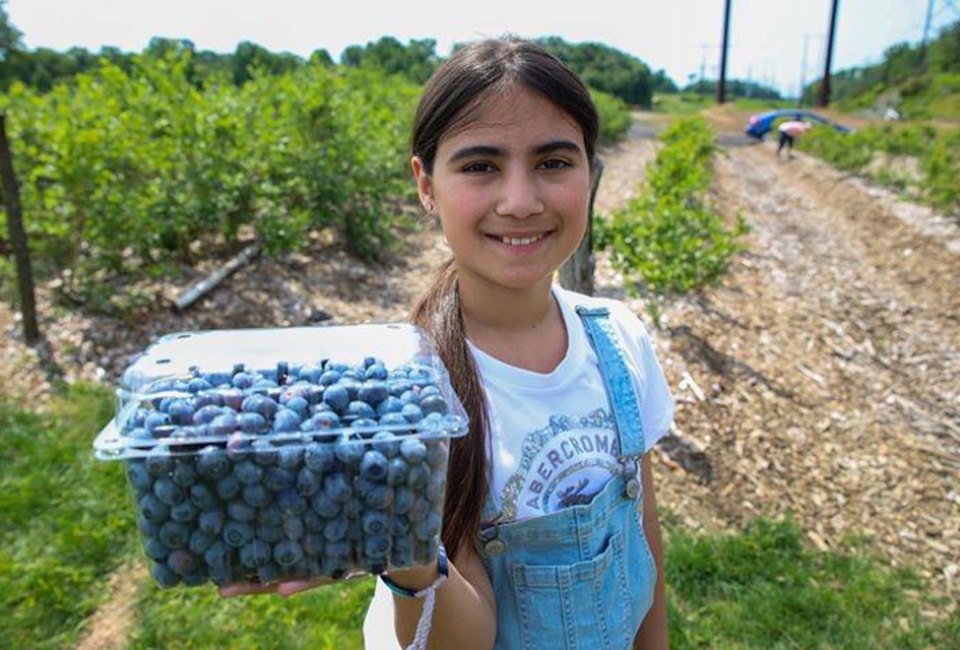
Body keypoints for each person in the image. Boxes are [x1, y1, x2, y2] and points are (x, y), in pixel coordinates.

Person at [224, 36, 676, 650]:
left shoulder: (618, 342)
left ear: (589, 174)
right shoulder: (405, 398)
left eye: (553, 162)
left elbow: (642, 545)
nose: (520, 201)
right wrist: (405, 547)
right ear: (426, 184)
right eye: (480, 166)